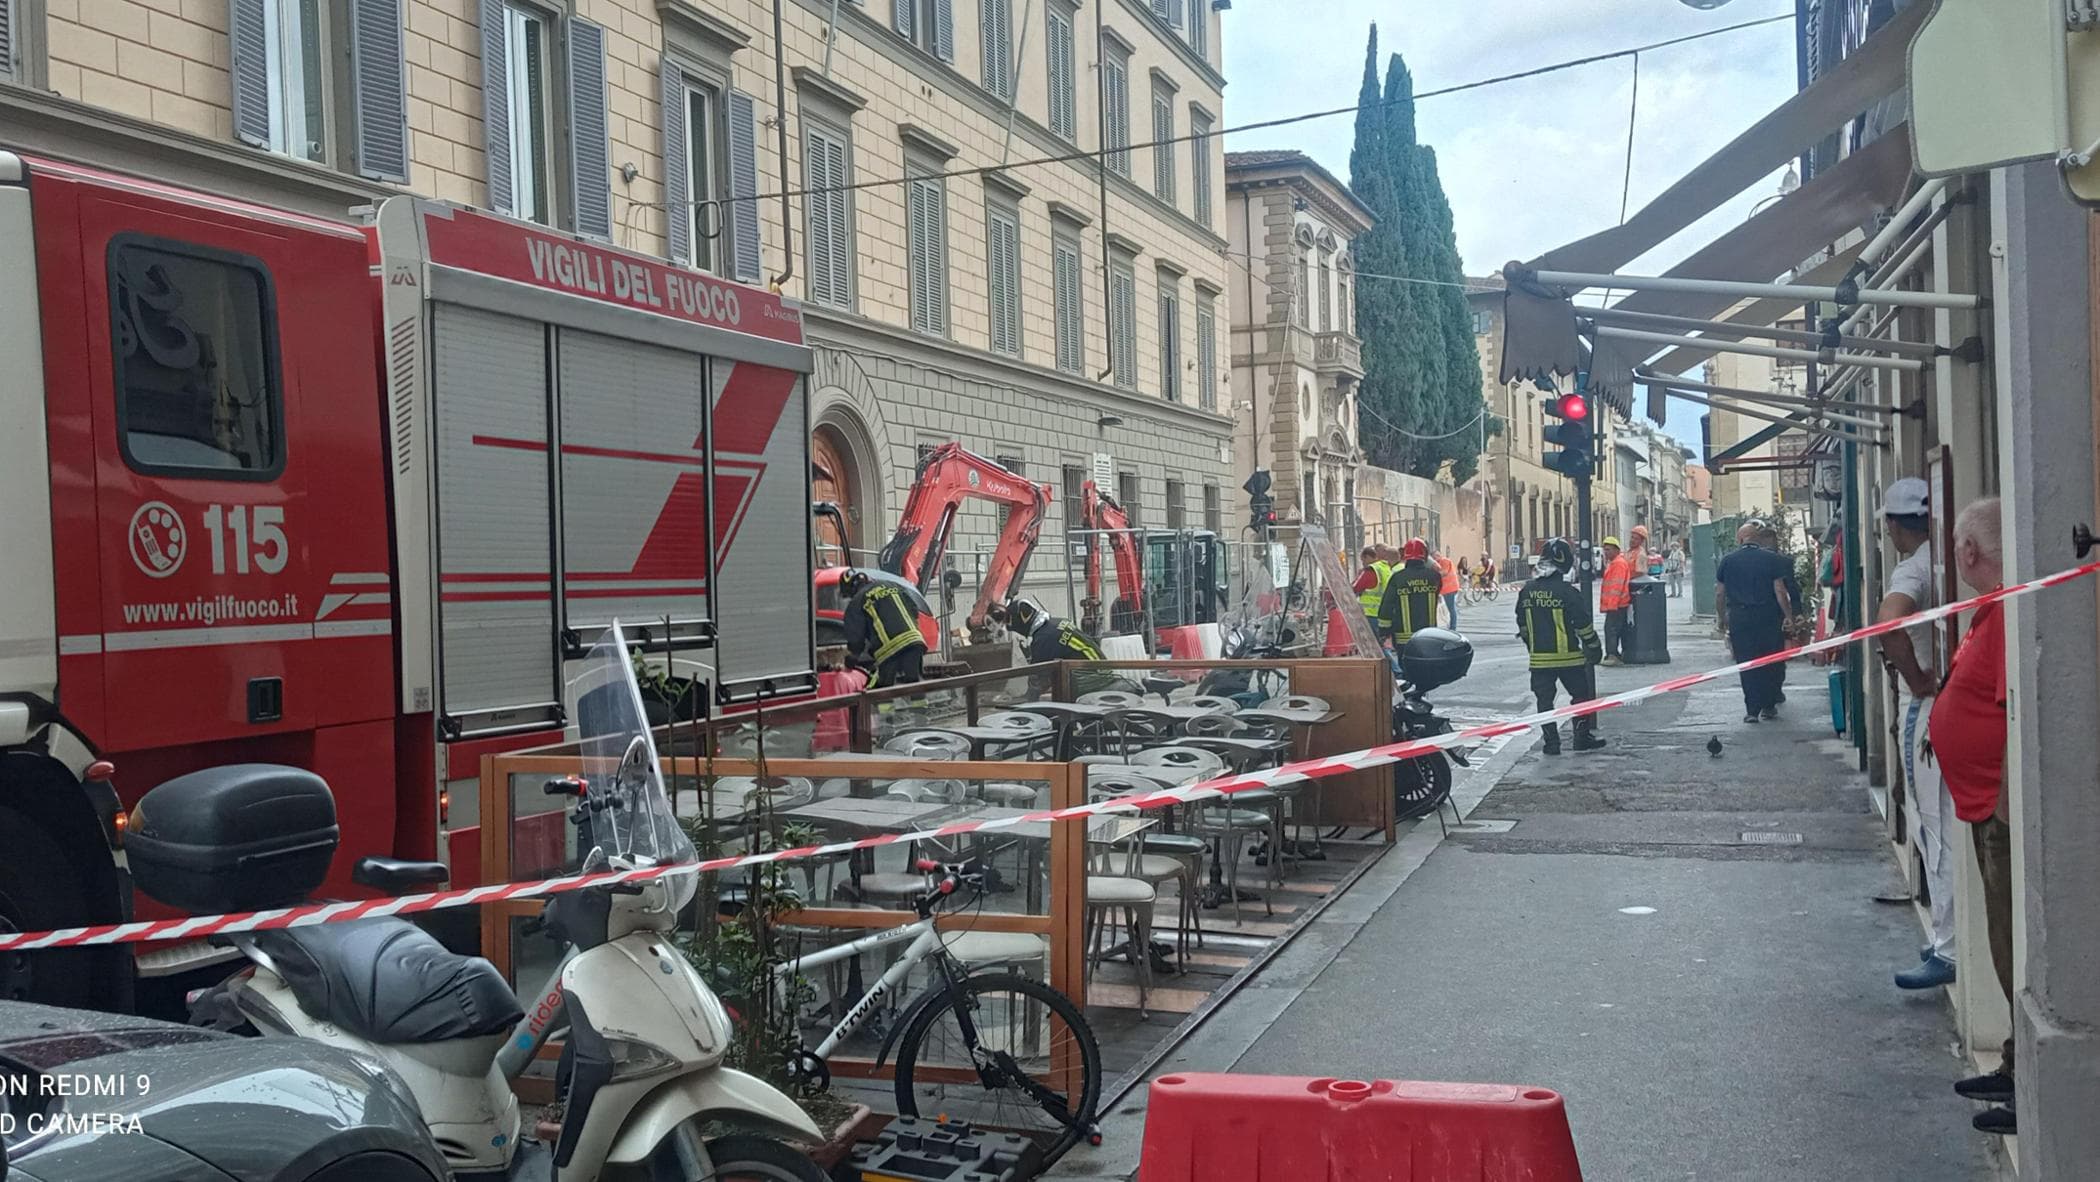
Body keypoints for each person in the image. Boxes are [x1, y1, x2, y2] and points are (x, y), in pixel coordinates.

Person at [1930, 498, 2016, 1136]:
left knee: (2014, 942)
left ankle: (2026, 1084)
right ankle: (2016, 1064)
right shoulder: (1993, 609)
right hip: (1986, 807)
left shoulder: (2009, 609)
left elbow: (2016, 712)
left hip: (2002, 812)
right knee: (2000, 937)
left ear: (1967, 552)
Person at [1875, 478, 1955, 991]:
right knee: (1939, 822)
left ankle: (1947, 948)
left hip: (1922, 708)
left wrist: (1914, 678)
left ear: (1889, 526)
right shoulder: (1941, 559)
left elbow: (1888, 623)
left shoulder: (1912, 567)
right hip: (1940, 705)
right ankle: (1947, 939)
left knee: (1932, 826)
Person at [1516, 538, 1605, 755]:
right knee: (1581, 698)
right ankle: (1581, 738)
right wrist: (1594, 648)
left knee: (1544, 703)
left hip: (1539, 660)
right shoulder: (1568, 592)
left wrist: (1533, 648)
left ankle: (1551, 744)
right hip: (1570, 659)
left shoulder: (1527, 591)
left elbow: (1522, 625)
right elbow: (1583, 625)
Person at [1714, 520, 1801, 723]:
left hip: (1740, 618)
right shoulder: (1771, 559)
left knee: (1746, 662)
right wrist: (1788, 617)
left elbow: (1719, 593)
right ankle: (1769, 706)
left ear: (1740, 539)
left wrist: (1721, 618)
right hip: (1768, 618)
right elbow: (1780, 591)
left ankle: (1751, 710)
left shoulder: (1728, 560)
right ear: (1758, 539)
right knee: (1770, 659)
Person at [839, 568, 926, 688]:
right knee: (914, 683)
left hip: (889, 650)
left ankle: (884, 707)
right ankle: (920, 706)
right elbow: (914, 610)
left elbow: (855, 636)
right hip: (914, 642)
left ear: (851, 588)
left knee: (883, 690)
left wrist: (852, 658)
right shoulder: (893, 585)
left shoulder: (857, 601)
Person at [1378, 538, 1443, 647]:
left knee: (1406, 664)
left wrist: (1384, 632)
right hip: (1429, 636)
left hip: (1403, 639)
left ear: (1405, 556)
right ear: (1425, 555)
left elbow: (1387, 606)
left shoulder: (1397, 578)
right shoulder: (1434, 577)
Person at [1598, 536, 1633, 665]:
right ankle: (1615, 654)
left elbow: (1616, 587)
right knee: (1616, 629)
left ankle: (1612, 655)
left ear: (1616, 550)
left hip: (1616, 605)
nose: (1606, 553)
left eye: (1608, 550)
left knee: (1611, 629)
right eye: (1605, 550)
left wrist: (1611, 605)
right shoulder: (1615, 562)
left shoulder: (1618, 564)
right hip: (1617, 604)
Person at [1352, 545, 1393, 628]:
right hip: (1385, 613)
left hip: (1371, 614)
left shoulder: (1371, 570)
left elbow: (1356, 588)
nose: (1363, 564)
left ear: (1367, 557)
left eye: (1363, 560)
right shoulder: (1386, 567)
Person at [1435, 549, 1461, 629]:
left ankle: (1453, 627)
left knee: (1451, 608)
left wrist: (1432, 574)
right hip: (1448, 588)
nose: (1436, 558)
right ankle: (1452, 626)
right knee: (1451, 608)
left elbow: (1444, 572)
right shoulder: (1441, 562)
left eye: (1436, 555)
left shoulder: (1444, 561)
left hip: (1449, 588)